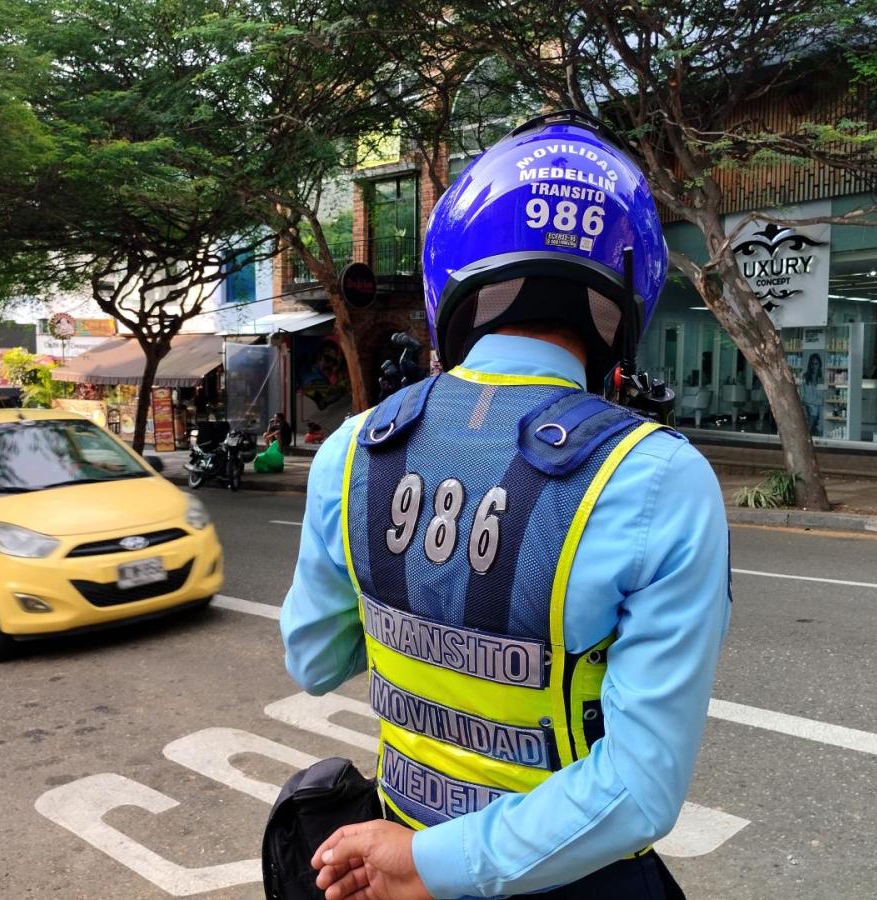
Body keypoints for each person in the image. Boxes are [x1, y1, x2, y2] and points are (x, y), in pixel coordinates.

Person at [280, 111, 731, 900]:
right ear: (631, 290)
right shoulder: (658, 476)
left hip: (391, 853)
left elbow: (313, 659)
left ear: (452, 271)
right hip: (565, 881)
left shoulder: (354, 449)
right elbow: (638, 789)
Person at [801, 353, 825, 437]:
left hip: (817, 409)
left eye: (816, 364)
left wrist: (814, 401)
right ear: (810, 365)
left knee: (818, 412)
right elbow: (803, 397)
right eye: (812, 363)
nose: (814, 366)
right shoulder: (805, 377)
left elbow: (822, 399)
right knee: (813, 412)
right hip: (807, 407)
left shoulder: (821, 379)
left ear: (819, 365)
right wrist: (815, 401)